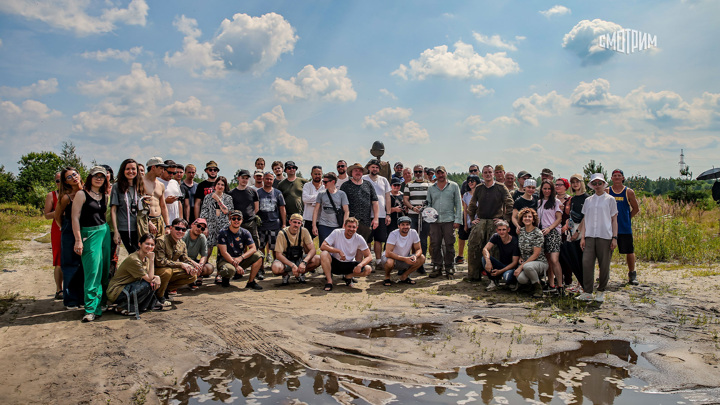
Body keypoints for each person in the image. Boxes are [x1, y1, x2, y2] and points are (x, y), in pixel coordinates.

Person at [72, 166, 112, 322]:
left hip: (104, 232)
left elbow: (105, 216)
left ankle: (101, 303)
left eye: (102, 176)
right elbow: (75, 218)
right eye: (96, 176)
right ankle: (90, 309)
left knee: (103, 270)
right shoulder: (81, 194)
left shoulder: (104, 195)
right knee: (92, 271)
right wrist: (78, 240)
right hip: (89, 233)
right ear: (90, 177)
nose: (99, 179)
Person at [466, 165, 513, 281]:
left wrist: (505, 220)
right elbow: (472, 204)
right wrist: (472, 218)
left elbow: (509, 203)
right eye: (485, 172)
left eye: (490, 172)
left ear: (493, 174)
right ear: (482, 174)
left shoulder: (501, 187)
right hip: (481, 220)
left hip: (495, 221)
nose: (488, 174)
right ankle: (473, 275)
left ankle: (494, 277)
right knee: (474, 246)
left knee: (494, 249)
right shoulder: (479, 188)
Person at [576, 174, 618, 303]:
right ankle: (588, 291)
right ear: (592, 185)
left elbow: (614, 219)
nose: (597, 186)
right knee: (587, 263)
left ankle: (601, 291)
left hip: (605, 235)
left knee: (604, 264)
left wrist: (614, 237)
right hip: (589, 236)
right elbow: (585, 219)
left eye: (600, 183)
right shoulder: (588, 200)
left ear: (604, 184)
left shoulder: (610, 199)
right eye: (595, 183)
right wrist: (582, 237)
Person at [106, 233, 161, 316]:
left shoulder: (146, 257)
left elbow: (150, 275)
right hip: (116, 291)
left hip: (129, 286)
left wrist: (157, 277)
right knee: (148, 284)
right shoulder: (134, 259)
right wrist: (152, 260)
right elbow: (149, 279)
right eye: (147, 244)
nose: (149, 247)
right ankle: (123, 306)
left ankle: (134, 306)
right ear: (139, 244)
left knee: (152, 283)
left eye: (152, 245)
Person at [55, 167, 85, 309]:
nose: (73, 178)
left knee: (84, 265)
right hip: (69, 231)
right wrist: (65, 229)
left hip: (85, 229)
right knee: (70, 265)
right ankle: (71, 299)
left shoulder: (87, 191)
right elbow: (57, 216)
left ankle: (83, 298)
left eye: (74, 174)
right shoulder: (67, 197)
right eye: (69, 177)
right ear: (65, 182)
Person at [426, 166, 463, 278]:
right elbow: (428, 204)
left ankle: (449, 266)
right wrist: (428, 217)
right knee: (435, 244)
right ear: (435, 175)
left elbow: (458, 204)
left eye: (442, 173)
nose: (440, 175)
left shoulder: (454, 186)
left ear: (446, 173)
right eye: (438, 173)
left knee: (449, 244)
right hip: (435, 221)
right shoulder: (431, 188)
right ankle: (437, 266)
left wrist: (458, 220)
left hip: (449, 220)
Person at [319, 217, 373, 291]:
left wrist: (360, 265)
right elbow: (323, 246)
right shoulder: (337, 232)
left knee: (368, 269)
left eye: (353, 227)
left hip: (349, 264)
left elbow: (369, 256)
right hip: (335, 263)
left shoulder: (359, 238)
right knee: (324, 254)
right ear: (344, 226)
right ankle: (329, 281)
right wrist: (338, 251)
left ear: (356, 228)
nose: (351, 229)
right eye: (349, 226)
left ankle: (348, 276)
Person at [153, 218, 198, 303]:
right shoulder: (161, 241)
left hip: (169, 269)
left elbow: (184, 258)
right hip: (156, 271)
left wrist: (192, 267)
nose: (180, 231)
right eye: (177, 228)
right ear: (171, 228)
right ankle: (158, 296)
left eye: (183, 229)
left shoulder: (182, 243)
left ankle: (165, 289)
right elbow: (160, 262)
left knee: (192, 276)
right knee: (167, 272)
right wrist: (181, 264)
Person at [216, 211, 264, 289]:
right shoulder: (223, 232)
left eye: (239, 218)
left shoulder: (245, 232)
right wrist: (235, 264)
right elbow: (223, 252)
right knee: (228, 270)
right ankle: (225, 278)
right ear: (230, 219)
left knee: (259, 255)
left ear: (242, 220)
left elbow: (253, 248)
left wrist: (241, 257)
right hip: (225, 260)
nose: (236, 221)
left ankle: (251, 282)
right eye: (234, 218)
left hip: (239, 259)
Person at [608, 169, 640, 285]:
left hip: (624, 228)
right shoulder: (607, 191)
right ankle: (604, 275)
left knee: (629, 251)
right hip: (609, 228)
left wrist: (627, 218)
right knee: (605, 253)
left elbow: (636, 209)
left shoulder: (628, 192)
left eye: (619, 175)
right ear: (611, 178)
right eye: (614, 176)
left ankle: (632, 274)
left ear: (623, 177)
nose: (617, 177)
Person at [272, 214, 321, 285]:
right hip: (286, 260)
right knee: (276, 268)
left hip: (299, 258)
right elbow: (278, 255)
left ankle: (301, 273)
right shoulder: (282, 233)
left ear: (301, 224)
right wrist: (292, 265)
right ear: (290, 222)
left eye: (299, 223)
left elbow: (313, 249)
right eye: (294, 222)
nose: (296, 225)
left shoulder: (304, 231)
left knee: (318, 259)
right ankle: (285, 275)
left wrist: (304, 262)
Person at [561, 174, 589, 293]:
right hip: (572, 229)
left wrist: (578, 232)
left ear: (582, 183)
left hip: (583, 230)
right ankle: (578, 284)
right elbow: (572, 215)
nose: (575, 184)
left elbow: (586, 217)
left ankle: (584, 285)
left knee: (582, 258)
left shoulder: (587, 198)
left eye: (577, 182)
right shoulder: (573, 199)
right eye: (573, 182)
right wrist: (567, 223)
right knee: (574, 257)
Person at [110, 159, 144, 255]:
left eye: (133, 169)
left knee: (140, 253)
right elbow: (113, 210)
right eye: (127, 169)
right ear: (123, 170)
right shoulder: (117, 187)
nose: (130, 171)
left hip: (139, 227)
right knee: (133, 253)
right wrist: (116, 231)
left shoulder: (140, 186)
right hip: (125, 228)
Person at [513, 207, 548, 298]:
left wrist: (520, 267)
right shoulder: (521, 231)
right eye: (525, 217)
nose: (527, 218)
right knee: (521, 279)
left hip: (539, 262)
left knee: (527, 266)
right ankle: (533, 283)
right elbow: (521, 248)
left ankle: (538, 289)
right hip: (526, 263)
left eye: (529, 217)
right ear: (521, 219)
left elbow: (536, 254)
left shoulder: (537, 233)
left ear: (533, 219)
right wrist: (520, 257)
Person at [363, 159, 392, 269]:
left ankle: (378, 261)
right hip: (367, 214)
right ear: (369, 168)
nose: (374, 169)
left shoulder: (384, 180)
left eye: (377, 167)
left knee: (379, 239)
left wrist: (388, 214)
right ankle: (368, 260)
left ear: (379, 169)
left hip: (381, 214)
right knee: (367, 239)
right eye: (372, 167)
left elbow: (387, 198)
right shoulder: (363, 179)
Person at [340, 163, 379, 244]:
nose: (358, 172)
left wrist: (376, 218)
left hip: (365, 221)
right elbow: (341, 204)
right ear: (351, 172)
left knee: (362, 245)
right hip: (350, 222)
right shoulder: (345, 185)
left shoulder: (368, 184)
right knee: (349, 244)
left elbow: (375, 202)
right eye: (356, 170)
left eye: (360, 171)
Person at [200, 176, 233, 268]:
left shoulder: (228, 198)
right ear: (215, 185)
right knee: (208, 249)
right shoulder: (208, 197)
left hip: (223, 226)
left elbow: (226, 211)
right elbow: (203, 213)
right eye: (218, 184)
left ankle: (219, 273)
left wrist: (218, 199)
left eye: (222, 185)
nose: (220, 186)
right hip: (211, 225)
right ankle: (201, 271)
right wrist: (205, 227)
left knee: (221, 250)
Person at [381, 216, 425, 285]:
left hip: (405, 257)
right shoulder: (393, 234)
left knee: (422, 258)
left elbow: (419, 249)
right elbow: (388, 253)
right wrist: (405, 259)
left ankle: (404, 276)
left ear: (410, 225)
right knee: (389, 262)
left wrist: (415, 256)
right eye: (403, 225)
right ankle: (387, 277)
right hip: (392, 258)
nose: (405, 227)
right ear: (398, 226)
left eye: (407, 224)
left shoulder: (413, 232)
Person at [403, 164, 430, 271]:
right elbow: (405, 199)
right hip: (412, 215)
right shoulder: (409, 185)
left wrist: (424, 208)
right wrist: (413, 207)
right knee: (410, 239)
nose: (418, 173)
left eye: (420, 171)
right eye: (416, 172)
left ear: (423, 172)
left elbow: (431, 200)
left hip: (425, 216)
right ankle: (407, 262)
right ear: (414, 173)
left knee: (423, 240)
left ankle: (420, 263)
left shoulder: (430, 185)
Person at [537, 180, 563, 292]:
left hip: (553, 232)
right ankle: (551, 284)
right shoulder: (538, 202)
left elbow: (559, 218)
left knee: (554, 259)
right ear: (541, 189)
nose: (547, 191)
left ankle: (560, 286)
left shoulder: (555, 202)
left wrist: (549, 228)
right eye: (545, 188)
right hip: (541, 232)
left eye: (549, 189)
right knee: (547, 260)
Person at [481, 220, 520, 291]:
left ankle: (513, 282)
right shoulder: (496, 236)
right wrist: (488, 261)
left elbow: (514, 263)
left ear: (508, 230)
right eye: (499, 230)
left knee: (507, 277)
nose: (501, 232)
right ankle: (493, 281)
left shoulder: (514, 241)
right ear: (496, 230)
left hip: (511, 267)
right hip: (501, 264)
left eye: (504, 230)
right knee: (484, 258)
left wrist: (500, 271)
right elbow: (485, 249)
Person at [312, 172, 349, 245]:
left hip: (337, 226)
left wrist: (344, 225)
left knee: (336, 248)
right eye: (323, 181)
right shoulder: (321, 194)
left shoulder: (342, 194)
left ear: (333, 182)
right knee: (324, 248)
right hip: (324, 225)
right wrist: (314, 226)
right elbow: (316, 210)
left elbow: (346, 211)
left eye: (325, 182)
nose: (323, 184)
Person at [257, 172, 287, 262]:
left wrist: (284, 223)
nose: (268, 181)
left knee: (275, 248)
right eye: (267, 179)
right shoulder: (258, 193)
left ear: (273, 180)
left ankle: (275, 265)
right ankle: (260, 268)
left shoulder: (277, 193)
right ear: (263, 179)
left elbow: (282, 208)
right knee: (260, 247)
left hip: (274, 225)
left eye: (270, 179)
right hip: (261, 225)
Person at [139, 157, 169, 239]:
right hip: (146, 219)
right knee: (147, 246)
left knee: (160, 247)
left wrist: (168, 225)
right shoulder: (140, 182)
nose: (163, 171)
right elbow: (138, 205)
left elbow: (163, 205)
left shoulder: (160, 185)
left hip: (159, 219)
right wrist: (148, 222)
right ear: (153, 167)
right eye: (161, 168)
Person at [229, 169, 260, 247]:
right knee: (238, 244)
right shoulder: (232, 193)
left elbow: (256, 207)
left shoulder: (253, 191)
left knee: (255, 242)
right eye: (243, 178)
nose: (245, 180)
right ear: (238, 178)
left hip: (250, 222)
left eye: (246, 178)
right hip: (237, 222)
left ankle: (256, 258)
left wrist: (251, 216)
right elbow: (230, 209)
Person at [44, 172, 63, 300]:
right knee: (58, 260)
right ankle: (59, 289)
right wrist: (60, 210)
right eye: (57, 180)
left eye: (62, 179)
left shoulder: (76, 193)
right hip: (58, 229)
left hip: (73, 228)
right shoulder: (51, 195)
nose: (60, 182)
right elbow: (46, 214)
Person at [182, 218, 215, 288]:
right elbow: (181, 254)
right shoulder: (184, 235)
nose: (199, 229)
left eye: (202, 229)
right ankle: (188, 280)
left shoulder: (202, 237)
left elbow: (204, 255)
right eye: (198, 226)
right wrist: (193, 264)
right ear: (192, 225)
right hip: (182, 261)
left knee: (209, 268)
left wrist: (200, 265)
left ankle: (194, 277)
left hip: (193, 261)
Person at [458, 175, 479, 265]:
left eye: (473, 181)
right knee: (469, 242)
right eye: (469, 181)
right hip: (469, 221)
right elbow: (465, 209)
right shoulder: (466, 195)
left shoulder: (481, 193)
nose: (470, 183)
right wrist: (466, 225)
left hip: (479, 220)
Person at [158, 160, 183, 224]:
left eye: (174, 173)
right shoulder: (157, 182)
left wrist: (181, 219)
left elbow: (179, 202)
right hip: (162, 221)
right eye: (169, 172)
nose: (171, 175)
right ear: (163, 170)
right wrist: (165, 201)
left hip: (175, 221)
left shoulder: (174, 182)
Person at [302, 166, 325, 231]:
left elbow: (326, 200)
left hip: (322, 220)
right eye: (315, 174)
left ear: (322, 174)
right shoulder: (307, 185)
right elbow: (305, 199)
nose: (317, 176)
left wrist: (312, 201)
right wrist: (320, 199)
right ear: (311, 174)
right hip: (308, 219)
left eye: (319, 174)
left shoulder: (325, 186)